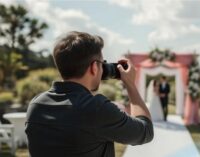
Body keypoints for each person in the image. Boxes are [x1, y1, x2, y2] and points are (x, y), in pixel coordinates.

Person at [25, 31, 154, 157]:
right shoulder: (97, 109)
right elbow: (145, 131)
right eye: (103, 63)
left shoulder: (36, 105)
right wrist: (130, 84)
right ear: (94, 67)